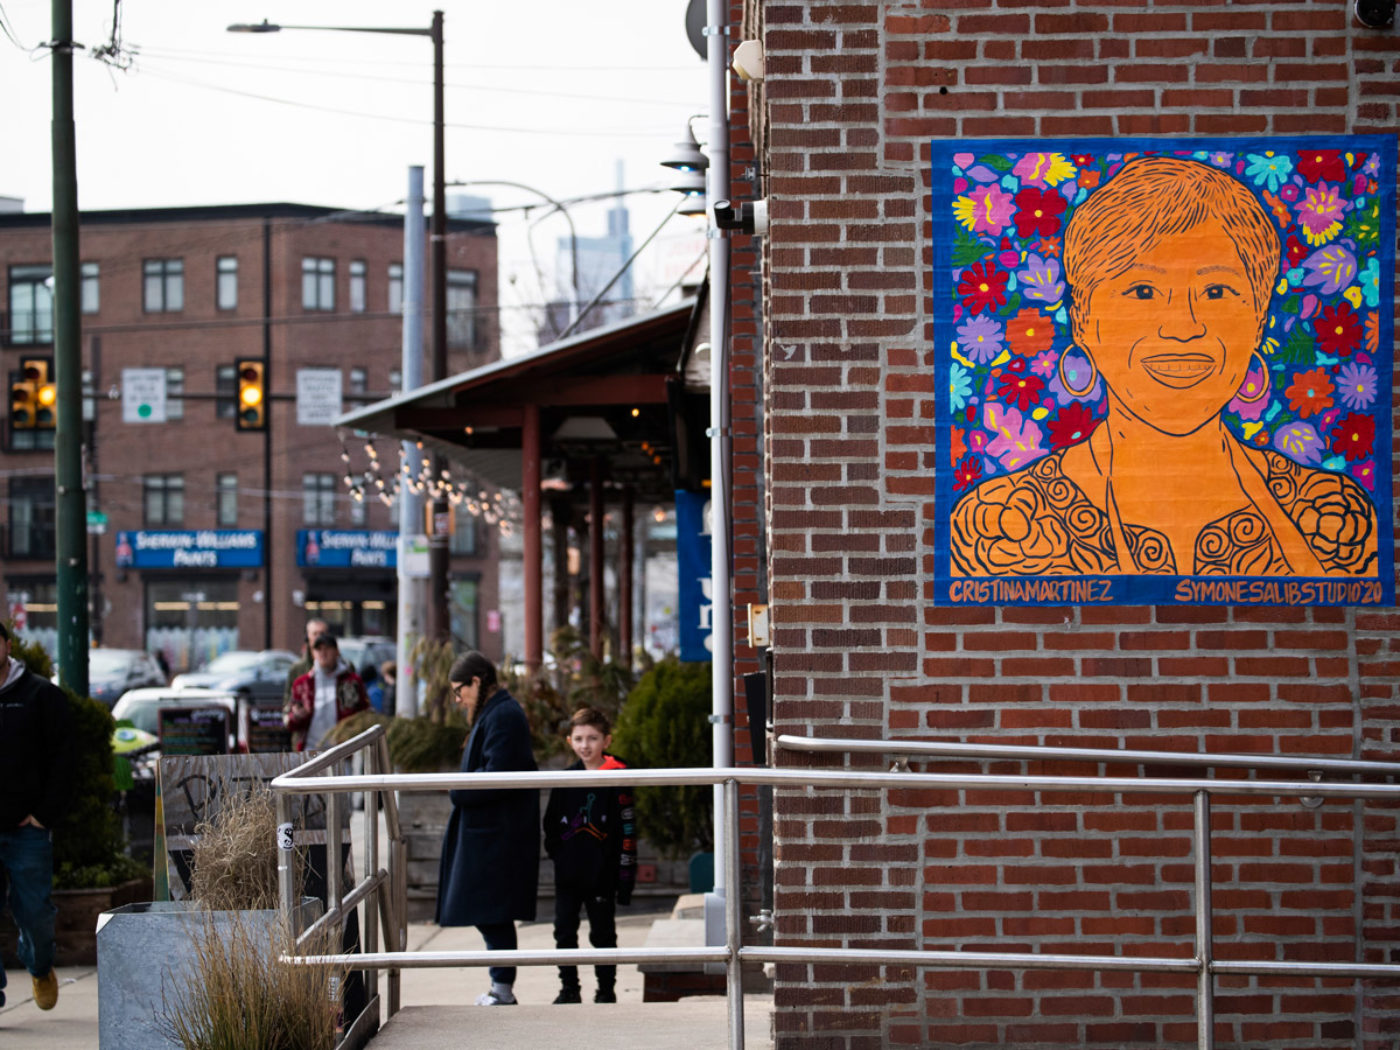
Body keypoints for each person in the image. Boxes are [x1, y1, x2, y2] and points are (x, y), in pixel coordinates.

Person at [951, 154, 1378, 578]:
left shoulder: (1333, 521)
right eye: (1142, 291)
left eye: (1216, 291)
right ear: (1082, 320)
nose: (1183, 327)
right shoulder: (997, 528)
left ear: (1259, 322)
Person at [436, 651, 539, 1006]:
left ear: (477, 681)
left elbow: (500, 774)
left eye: (459, 689)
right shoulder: (497, 712)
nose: (458, 698)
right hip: (492, 830)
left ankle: (502, 989)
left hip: (497, 833)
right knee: (490, 912)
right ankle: (500, 987)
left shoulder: (503, 715)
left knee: (492, 912)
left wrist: (457, 788)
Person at [0, 623, 73, 1012]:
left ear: (8, 646)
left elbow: (63, 758)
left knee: (35, 915)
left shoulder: (40, 695)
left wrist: (44, 815)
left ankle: (40, 965)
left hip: (27, 829)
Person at [543, 707, 636, 1004]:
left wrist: (624, 876)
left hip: (602, 874)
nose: (586, 745)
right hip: (568, 874)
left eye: (593, 738)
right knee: (564, 932)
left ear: (606, 741)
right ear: (570, 740)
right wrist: (560, 856)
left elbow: (628, 829)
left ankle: (606, 990)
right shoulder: (565, 780)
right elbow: (550, 825)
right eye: (579, 738)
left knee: (603, 935)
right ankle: (569, 988)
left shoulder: (619, 777)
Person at [283, 633, 370, 752]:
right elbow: (288, 721)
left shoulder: (352, 681)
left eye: (327, 648)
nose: (323, 653)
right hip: (310, 750)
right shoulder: (302, 684)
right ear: (313, 653)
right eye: (318, 649)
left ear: (336, 652)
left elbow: (366, 713)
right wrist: (297, 716)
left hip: (343, 751)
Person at [282, 617, 329, 709]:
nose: (319, 637)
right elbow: (288, 701)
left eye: (322, 633)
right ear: (308, 636)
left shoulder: (343, 667)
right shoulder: (297, 669)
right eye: (315, 634)